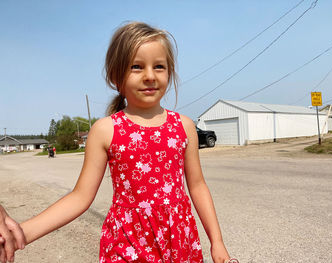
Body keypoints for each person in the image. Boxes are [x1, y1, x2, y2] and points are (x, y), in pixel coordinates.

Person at [0, 22, 238, 263]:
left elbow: (197, 186)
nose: (149, 76)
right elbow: (80, 197)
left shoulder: (184, 126)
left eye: (159, 67)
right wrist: (21, 234)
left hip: (179, 242)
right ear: (116, 76)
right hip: (128, 246)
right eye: (136, 66)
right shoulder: (105, 130)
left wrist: (217, 242)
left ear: (170, 72)